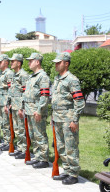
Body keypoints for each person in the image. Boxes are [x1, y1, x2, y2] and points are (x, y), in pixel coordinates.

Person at [51, 52, 85, 185]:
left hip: (68, 118)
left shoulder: (72, 79)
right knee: (61, 146)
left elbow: (79, 101)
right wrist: (53, 117)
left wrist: (75, 119)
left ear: (66, 63)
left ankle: (74, 173)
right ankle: (66, 170)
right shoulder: (57, 78)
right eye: (56, 63)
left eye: (58, 63)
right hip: (58, 117)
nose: (56, 65)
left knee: (71, 146)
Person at [23, 53, 50, 169]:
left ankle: (43, 159)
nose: (29, 63)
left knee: (40, 134)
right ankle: (38, 156)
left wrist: (39, 110)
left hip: (37, 110)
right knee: (33, 134)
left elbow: (44, 96)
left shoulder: (42, 76)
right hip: (29, 110)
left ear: (37, 62)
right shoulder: (32, 76)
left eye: (31, 61)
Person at [8, 54, 29, 159]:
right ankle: (20, 148)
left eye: (13, 61)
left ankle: (24, 150)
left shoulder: (23, 75)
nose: (11, 63)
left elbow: (25, 93)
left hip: (20, 107)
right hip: (14, 106)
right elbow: (14, 91)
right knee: (17, 129)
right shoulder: (14, 75)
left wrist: (22, 107)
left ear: (19, 63)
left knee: (21, 129)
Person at [0, 54, 14, 151]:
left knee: (7, 123)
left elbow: (11, 88)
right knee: (2, 123)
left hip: (5, 101)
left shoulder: (9, 73)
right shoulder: (1, 73)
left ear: (6, 62)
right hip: (0, 101)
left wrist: (8, 103)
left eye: (0, 62)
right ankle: (6, 141)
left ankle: (9, 142)